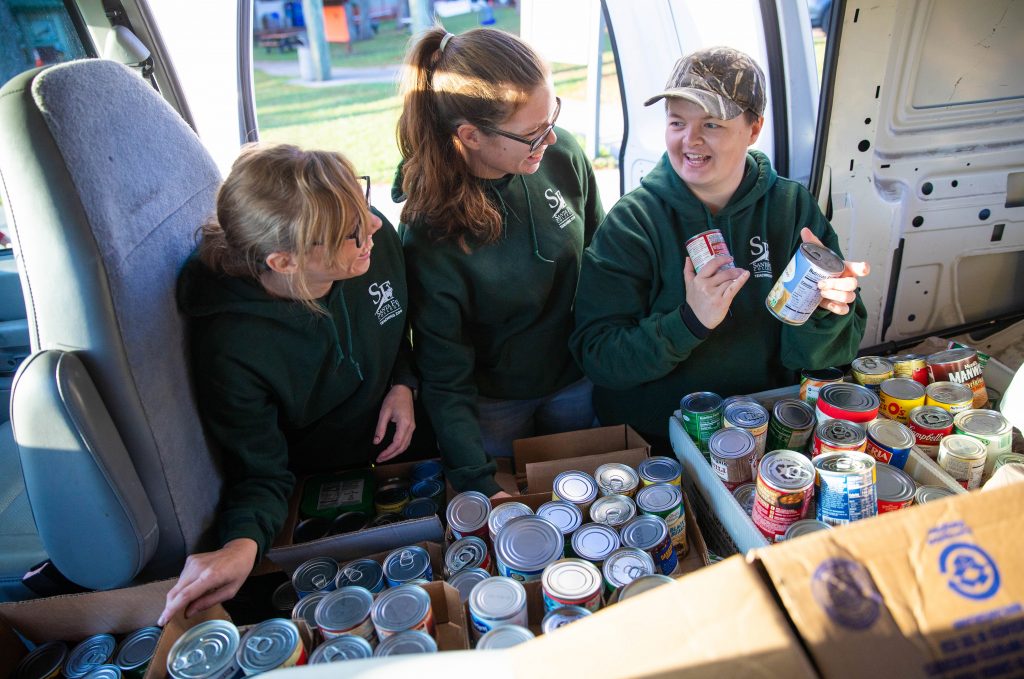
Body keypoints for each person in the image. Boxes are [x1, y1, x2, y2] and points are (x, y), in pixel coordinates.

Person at [159, 144, 420, 623]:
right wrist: (241, 545)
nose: (375, 226)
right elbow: (259, 470)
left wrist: (402, 383)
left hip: (403, 446)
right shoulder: (234, 348)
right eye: (348, 231)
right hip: (324, 484)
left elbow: (394, 323)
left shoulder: (368, 246)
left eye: (360, 201)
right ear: (285, 262)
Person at [570, 46, 868, 448]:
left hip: (768, 425)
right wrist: (690, 321)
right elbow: (598, 356)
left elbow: (824, 358)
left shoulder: (791, 207)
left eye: (711, 124)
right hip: (661, 437)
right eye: (677, 122)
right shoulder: (633, 221)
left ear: (754, 128)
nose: (689, 140)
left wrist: (827, 313)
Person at [395, 28, 605, 498]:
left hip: (575, 375)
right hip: (493, 402)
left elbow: (602, 258)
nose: (550, 136)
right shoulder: (430, 232)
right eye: (532, 133)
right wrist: (477, 480)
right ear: (469, 136)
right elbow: (443, 375)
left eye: (552, 115)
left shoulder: (561, 154)